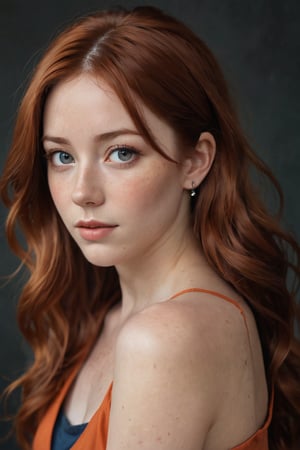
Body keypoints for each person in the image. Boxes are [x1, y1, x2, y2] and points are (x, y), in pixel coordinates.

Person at [1, 5, 300, 450]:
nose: (83, 191)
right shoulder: (106, 317)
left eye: (121, 152)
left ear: (195, 161)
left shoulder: (163, 340)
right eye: (61, 156)